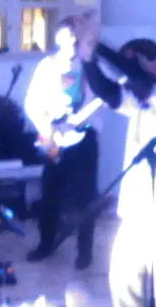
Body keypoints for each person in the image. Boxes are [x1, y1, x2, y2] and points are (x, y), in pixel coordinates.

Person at [74, 20, 156, 307]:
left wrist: (100, 47)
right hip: (139, 205)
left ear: (152, 63)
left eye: (132, 65)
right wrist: (89, 58)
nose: (125, 73)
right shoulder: (138, 96)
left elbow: (136, 78)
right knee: (124, 279)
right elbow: (107, 91)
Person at [23, 17, 100, 270]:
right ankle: (46, 243)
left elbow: (99, 98)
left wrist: (79, 120)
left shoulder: (89, 64)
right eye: (67, 37)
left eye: (75, 37)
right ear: (58, 39)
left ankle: (85, 251)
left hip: (83, 138)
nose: (71, 42)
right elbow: (32, 102)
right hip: (54, 138)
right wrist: (47, 127)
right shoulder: (47, 66)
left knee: (85, 196)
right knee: (50, 193)